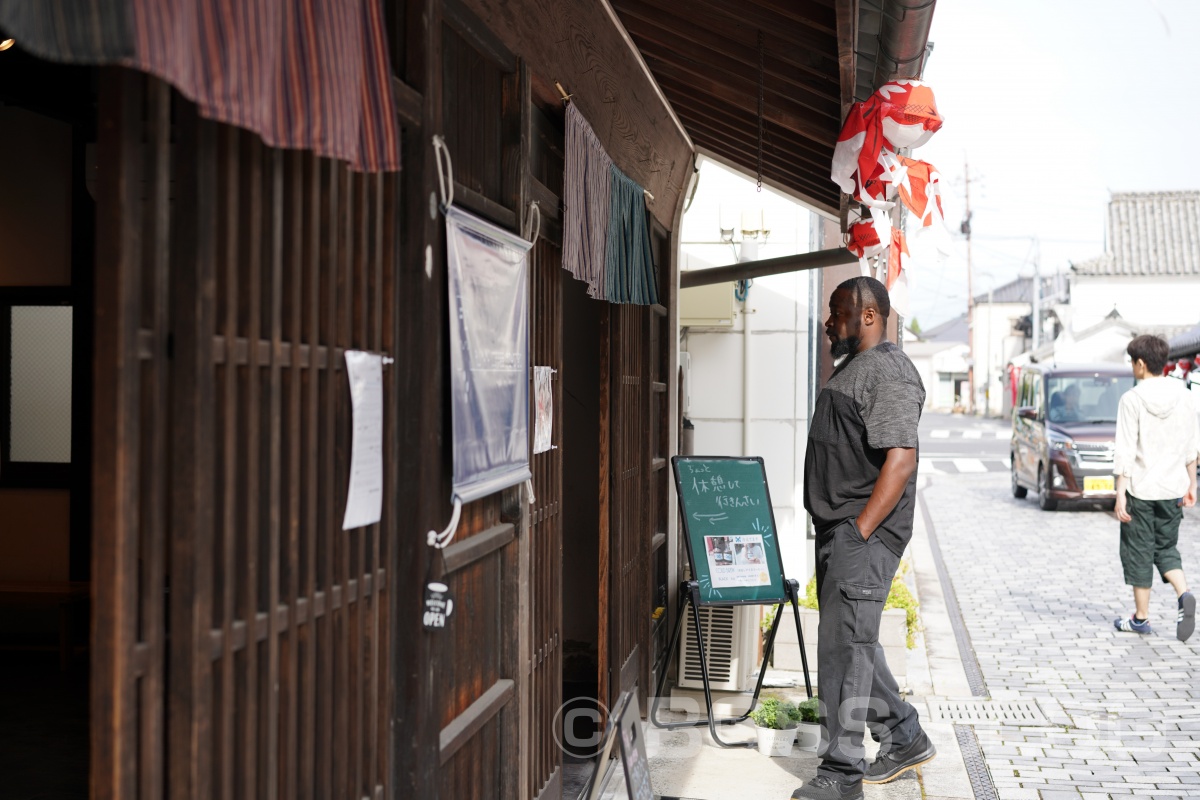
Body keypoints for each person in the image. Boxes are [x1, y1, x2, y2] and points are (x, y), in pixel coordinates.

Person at [793, 277, 935, 800]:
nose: (829, 322)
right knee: (850, 640)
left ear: (868, 316)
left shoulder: (890, 373)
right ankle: (905, 735)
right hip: (842, 529)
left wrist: (860, 530)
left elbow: (901, 458)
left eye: (837, 313)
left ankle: (842, 771)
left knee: (845, 648)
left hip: (863, 533)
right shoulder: (856, 368)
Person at [1113, 334, 1197, 641]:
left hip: (1141, 490)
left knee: (1139, 551)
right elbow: (1191, 444)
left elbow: (1125, 449)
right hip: (1174, 487)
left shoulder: (1132, 399)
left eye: (1132, 361)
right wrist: (1192, 484)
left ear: (1141, 363)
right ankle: (1183, 593)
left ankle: (1141, 618)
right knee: (1165, 548)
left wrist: (1120, 492)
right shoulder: (1185, 395)